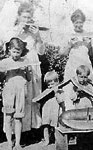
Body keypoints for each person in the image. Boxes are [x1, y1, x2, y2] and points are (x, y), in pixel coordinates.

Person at [10, 2, 43, 132]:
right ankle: (18, 131)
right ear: (18, 17)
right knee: (21, 96)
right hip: (20, 65)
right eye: (24, 17)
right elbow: (8, 47)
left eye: (29, 18)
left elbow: (41, 51)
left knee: (34, 95)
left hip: (33, 64)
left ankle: (33, 128)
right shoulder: (14, 31)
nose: (27, 20)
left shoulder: (34, 31)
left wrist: (38, 36)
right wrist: (18, 31)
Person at [58, 9, 93, 81]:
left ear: (83, 22)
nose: (78, 25)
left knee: (87, 88)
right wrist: (69, 45)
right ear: (73, 23)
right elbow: (61, 54)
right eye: (76, 22)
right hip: (73, 66)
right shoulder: (68, 35)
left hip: (85, 66)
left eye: (80, 22)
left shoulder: (88, 35)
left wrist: (90, 45)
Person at [40, 70, 65, 146]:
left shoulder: (60, 91)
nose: (51, 84)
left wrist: (56, 92)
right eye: (49, 82)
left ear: (57, 81)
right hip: (46, 111)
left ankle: (57, 140)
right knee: (45, 126)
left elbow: (61, 101)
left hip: (55, 111)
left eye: (53, 81)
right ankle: (46, 140)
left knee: (55, 126)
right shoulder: (46, 91)